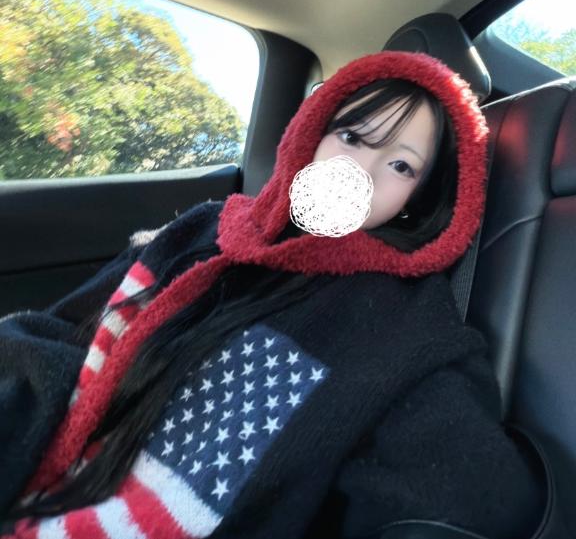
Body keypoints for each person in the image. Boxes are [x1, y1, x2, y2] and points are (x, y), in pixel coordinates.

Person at [0, 50, 550, 538]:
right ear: (312, 135)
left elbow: (461, 489)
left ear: (415, 200)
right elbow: (60, 335)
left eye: (401, 165)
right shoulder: (203, 229)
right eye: (351, 137)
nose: (360, 171)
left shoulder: (402, 317)